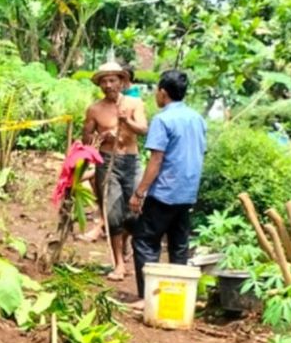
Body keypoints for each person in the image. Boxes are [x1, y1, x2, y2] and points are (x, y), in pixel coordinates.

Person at [128, 70, 207, 306]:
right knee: (178, 245)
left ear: (163, 92)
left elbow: (156, 160)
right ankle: (177, 297)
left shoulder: (162, 120)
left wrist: (139, 192)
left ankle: (147, 298)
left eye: (156, 91)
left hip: (164, 192)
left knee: (144, 241)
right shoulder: (197, 119)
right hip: (187, 192)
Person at [81, 61, 148, 282]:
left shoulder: (134, 103)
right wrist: (101, 137)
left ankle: (127, 243)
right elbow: (87, 139)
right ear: (100, 85)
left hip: (131, 160)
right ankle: (119, 263)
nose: (108, 85)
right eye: (104, 81)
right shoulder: (95, 109)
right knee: (112, 214)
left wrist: (126, 121)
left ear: (121, 81)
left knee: (135, 211)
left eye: (112, 80)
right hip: (107, 162)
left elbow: (143, 129)